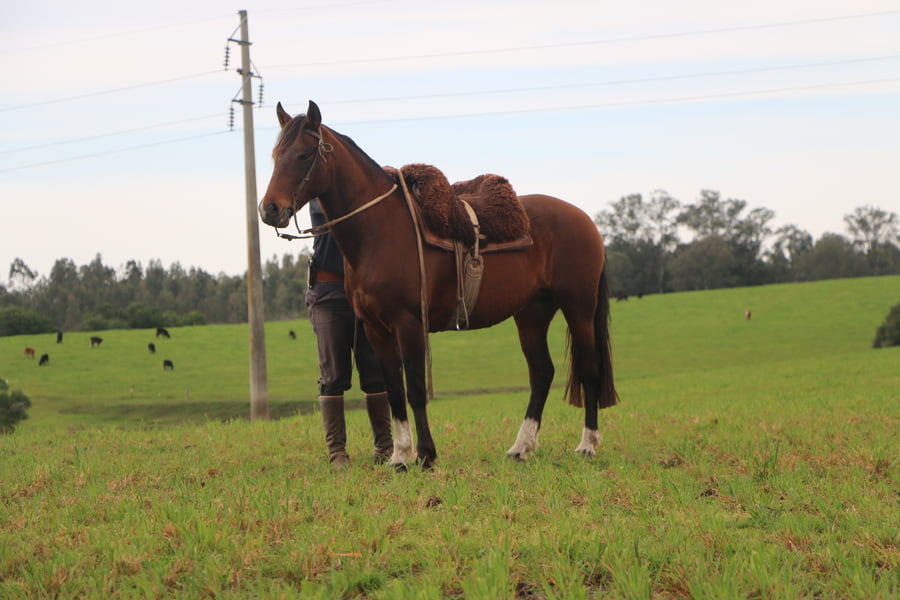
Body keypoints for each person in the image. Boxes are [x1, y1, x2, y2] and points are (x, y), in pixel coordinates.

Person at [305, 199, 393, 468]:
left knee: (375, 373)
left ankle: (385, 446)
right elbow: (348, 213)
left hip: (366, 294)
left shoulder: (365, 193)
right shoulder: (322, 199)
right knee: (333, 376)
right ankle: (337, 453)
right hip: (328, 294)